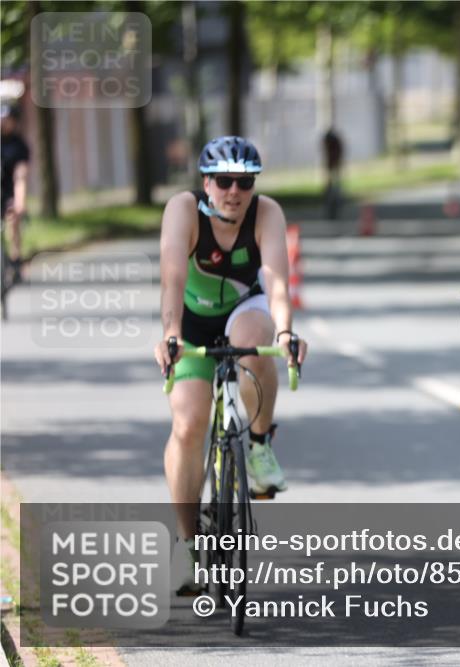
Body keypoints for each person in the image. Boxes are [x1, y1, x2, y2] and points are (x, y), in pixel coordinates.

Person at [153, 136, 308, 594]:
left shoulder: (267, 214)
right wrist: (170, 334)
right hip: (192, 321)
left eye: (244, 181)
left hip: (246, 309)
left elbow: (278, 283)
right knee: (188, 423)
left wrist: (285, 333)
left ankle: (258, 444)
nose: (234, 191)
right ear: (207, 183)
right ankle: (187, 543)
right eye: (224, 181)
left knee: (253, 342)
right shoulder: (182, 210)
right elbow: (171, 279)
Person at [1, 104, 30, 277]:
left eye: (7, 119)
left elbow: (20, 177)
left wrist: (20, 201)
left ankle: (15, 259)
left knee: (13, 220)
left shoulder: (19, 146)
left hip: (9, 193)